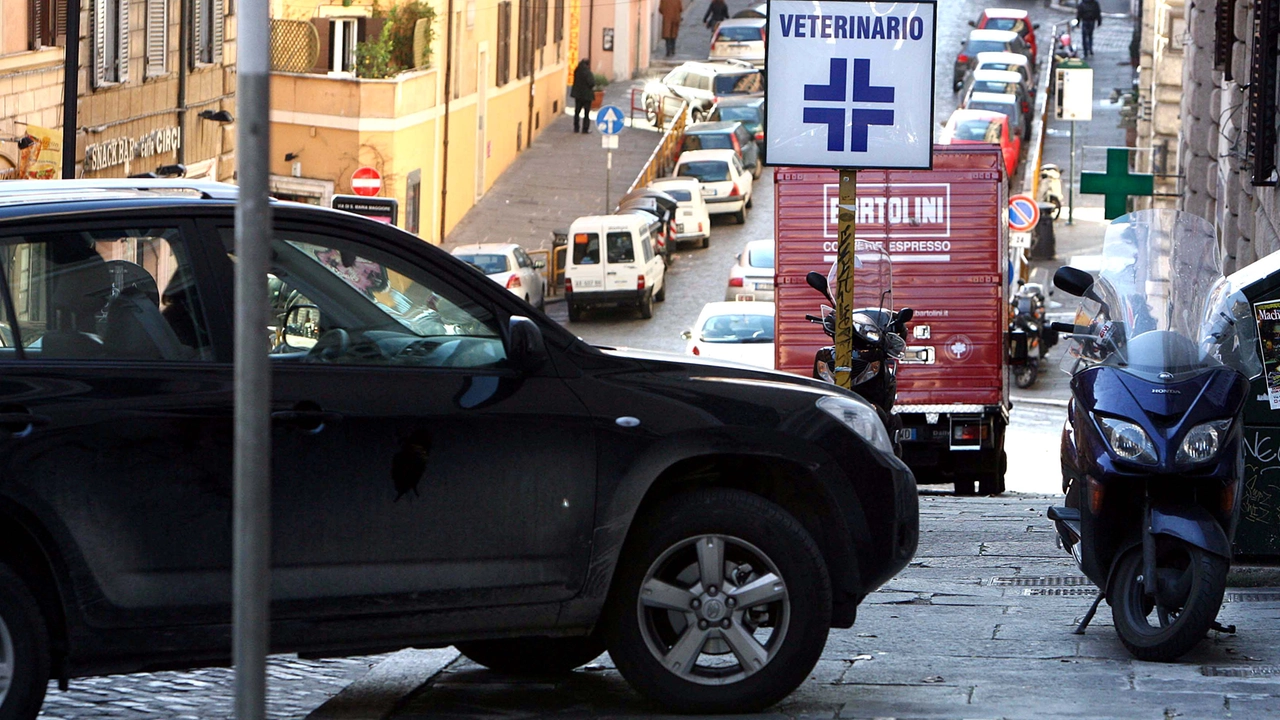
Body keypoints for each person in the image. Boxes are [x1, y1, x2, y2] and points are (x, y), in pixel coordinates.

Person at [571, 58, 594, 134]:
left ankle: (576, 128)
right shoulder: (587, 72)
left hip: (578, 95)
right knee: (586, 113)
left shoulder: (577, 71)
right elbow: (591, 83)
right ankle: (585, 129)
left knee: (577, 112)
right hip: (587, 96)